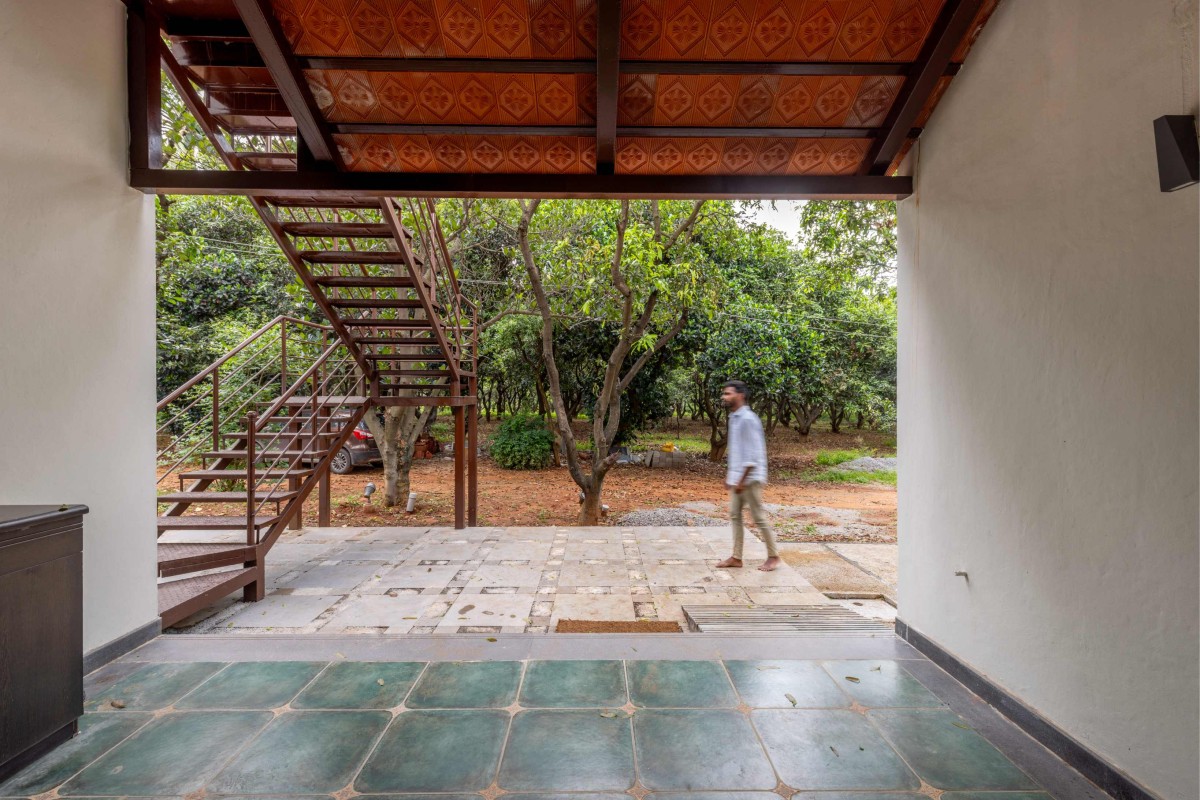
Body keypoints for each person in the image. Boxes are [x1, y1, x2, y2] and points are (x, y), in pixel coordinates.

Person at [715, 380, 780, 572]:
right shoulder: (734, 417)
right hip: (739, 478)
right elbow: (737, 451)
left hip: (750, 478)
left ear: (740, 395)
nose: (724, 397)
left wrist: (742, 480)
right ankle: (736, 557)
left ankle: (773, 556)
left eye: (728, 394)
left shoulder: (748, 419)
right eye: (724, 394)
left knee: (758, 517)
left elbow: (752, 454)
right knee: (735, 515)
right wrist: (730, 477)